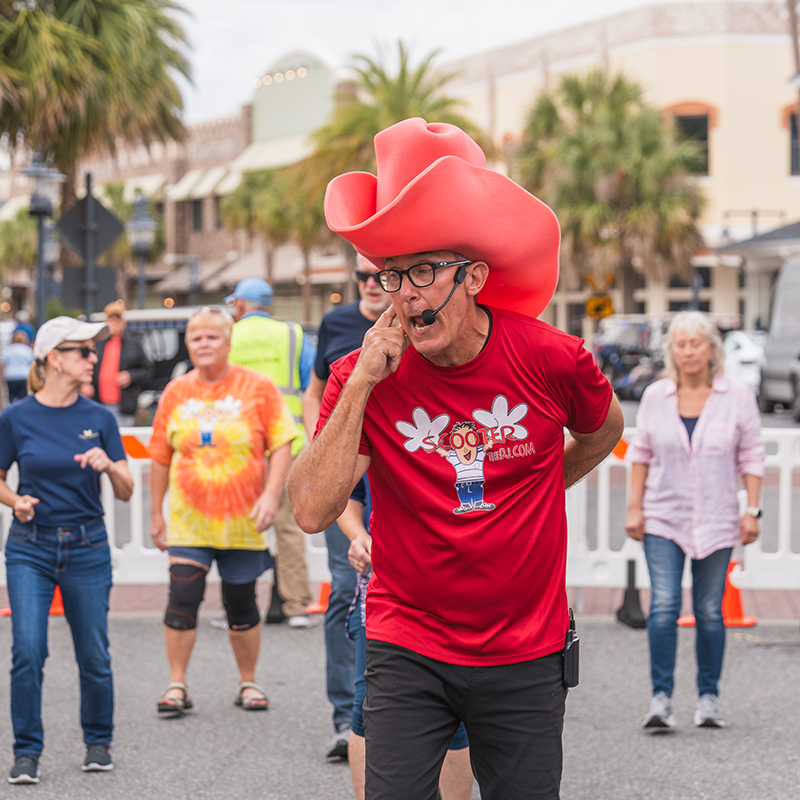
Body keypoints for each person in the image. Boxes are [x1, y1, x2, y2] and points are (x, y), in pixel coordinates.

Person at [288, 117, 624, 799]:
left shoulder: (554, 358)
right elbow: (311, 510)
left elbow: (603, 431)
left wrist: (539, 487)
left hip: (526, 649)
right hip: (407, 643)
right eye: (392, 275)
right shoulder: (363, 373)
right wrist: (361, 384)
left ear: (473, 277)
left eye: (422, 271)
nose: (404, 294)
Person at [0, 316, 134, 783]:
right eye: (84, 351)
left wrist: (109, 466)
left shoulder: (100, 418)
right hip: (29, 547)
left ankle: (98, 742)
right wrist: (15, 501)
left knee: (94, 653)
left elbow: (126, 490)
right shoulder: (15, 417)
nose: (93, 358)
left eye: (92, 350)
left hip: (87, 546)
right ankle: (26, 752)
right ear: (54, 358)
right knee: (28, 651)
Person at [149, 306, 297, 716]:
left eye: (212, 337)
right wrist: (156, 513)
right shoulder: (176, 391)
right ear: (187, 344)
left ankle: (248, 681)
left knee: (241, 602)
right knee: (182, 597)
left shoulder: (258, 386)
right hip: (189, 520)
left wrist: (270, 496)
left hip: (243, 521)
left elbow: (282, 442)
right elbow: (160, 455)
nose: (204, 344)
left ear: (229, 342)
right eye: (196, 338)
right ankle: (176, 683)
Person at [625, 310, 764, 731]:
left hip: (718, 519)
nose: (688, 351)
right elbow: (640, 454)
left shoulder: (736, 395)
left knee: (709, 610)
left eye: (696, 343)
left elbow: (751, 454)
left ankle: (708, 698)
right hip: (663, 516)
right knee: (664, 606)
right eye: (681, 344)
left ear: (711, 349)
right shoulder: (656, 396)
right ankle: (661, 699)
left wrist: (752, 510)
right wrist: (634, 508)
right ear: (672, 351)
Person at [301, 255, 390, 759]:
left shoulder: (416, 322)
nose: (372, 283)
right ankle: (346, 715)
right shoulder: (336, 323)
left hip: (392, 465)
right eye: (363, 276)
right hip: (346, 474)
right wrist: (321, 443)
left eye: (382, 274)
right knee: (345, 588)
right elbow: (315, 391)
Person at [340, 477, 474, 800]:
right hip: (387, 588)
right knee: (366, 706)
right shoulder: (371, 440)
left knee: (457, 709)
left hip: (460, 585)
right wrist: (358, 535)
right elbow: (347, 493)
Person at [225, 277, 315, 628]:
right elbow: (311, 385)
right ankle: (296, 607)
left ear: (240, 305)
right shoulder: (293, 335)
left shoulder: (227, 336)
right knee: (288, 527)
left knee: (238, 526)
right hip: (288, 444)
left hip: (240, 448)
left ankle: (237, 607)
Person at [90, 300, 153, 426]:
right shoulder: (96, 344)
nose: (114, 322)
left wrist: (131, 376)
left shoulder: (134, 345)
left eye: (117, 319)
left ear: (124, 322)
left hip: (123, 408)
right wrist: (85, 384)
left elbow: (148, 371)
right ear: (105, 321)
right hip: (98, 404)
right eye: (111, 319)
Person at [2, 330, 35, 403]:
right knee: (23, 397)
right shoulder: (27, 349)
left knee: (11, 395)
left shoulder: (8, 349)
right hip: (23, 375)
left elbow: (3, 363)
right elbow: (32, 362)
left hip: (10, 376)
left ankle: (11, 407)